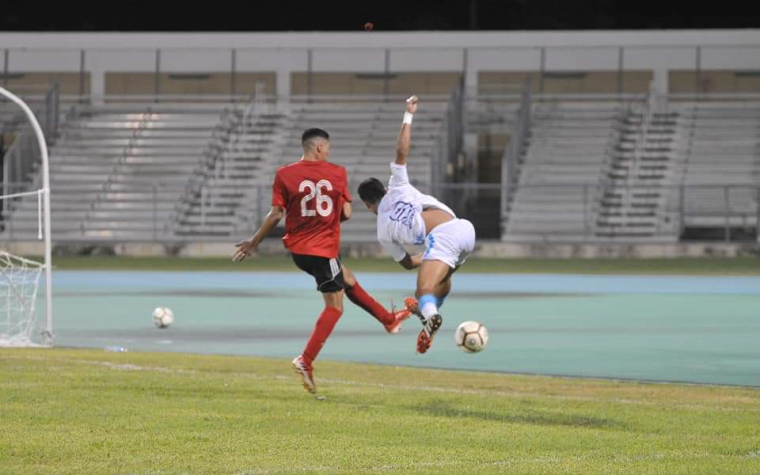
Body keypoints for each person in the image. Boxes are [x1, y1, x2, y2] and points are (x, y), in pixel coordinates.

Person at [232, 128, 411, 394]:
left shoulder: (284, 173)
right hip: (322, 250)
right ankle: (306, 359)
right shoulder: (337, 173)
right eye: (327, 148)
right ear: (318, 148)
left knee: (347, 278)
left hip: (299, 251)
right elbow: (347, 213)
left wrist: (253, 242)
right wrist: (326, 219)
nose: (328, 152)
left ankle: (388, 319)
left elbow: (275, 214)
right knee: (335, 306)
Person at [357, 96, 476, 354]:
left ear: (367, 205)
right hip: (465, 230)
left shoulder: (382, 232)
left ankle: (429, 315)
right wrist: (408, 114)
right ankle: (427, 317)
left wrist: (424, 256)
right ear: (385, 188)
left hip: (443, 237)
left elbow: (408, 264)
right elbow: (401, 152)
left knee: (422, 290)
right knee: (442, 278)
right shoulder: (398, 185)